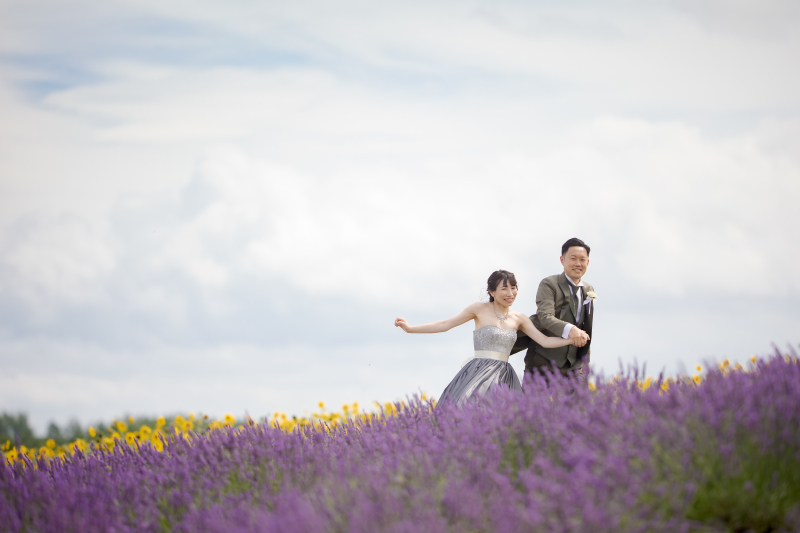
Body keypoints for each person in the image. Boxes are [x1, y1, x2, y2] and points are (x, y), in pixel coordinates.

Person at [395, 270, 580, 406]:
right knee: (463, 408)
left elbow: (544, 341)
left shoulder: (519, 318)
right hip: (476, 372)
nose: (510, 293)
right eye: (504, 288)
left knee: (509, 416)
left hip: (504, 375)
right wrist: (410, 329)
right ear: (491, 292)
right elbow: (445, 324)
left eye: (514, 288)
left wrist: (571, 339)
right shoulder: (478, 309)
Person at [510, 238, 595, 386]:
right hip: (542, 362)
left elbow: (586, 326)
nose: (578, 263)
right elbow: (545, 317)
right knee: (532, 409)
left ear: (587, 262)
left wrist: (585, 363)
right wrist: (571, 329)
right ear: (562, 260)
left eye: (582, 259)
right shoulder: (549, 284)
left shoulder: (589, 290)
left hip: (574, 367)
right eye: (573, 258)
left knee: (580, 407)